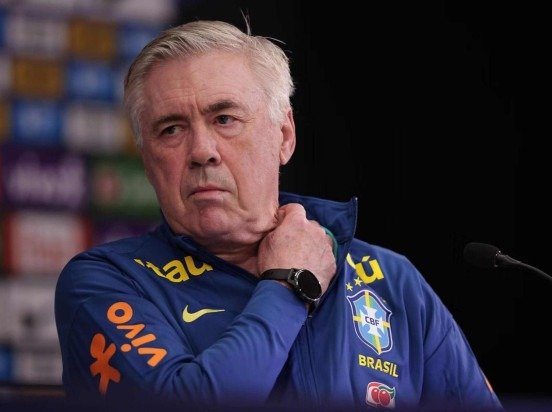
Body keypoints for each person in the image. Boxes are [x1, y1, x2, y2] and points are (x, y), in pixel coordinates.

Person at [55, 19, 503, 411]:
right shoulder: (109, 281)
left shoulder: (390, 280)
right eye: (171, 129)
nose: (202, 151)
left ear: (284, 135)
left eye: (225, 119)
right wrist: (291, 283)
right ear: (147, 161)